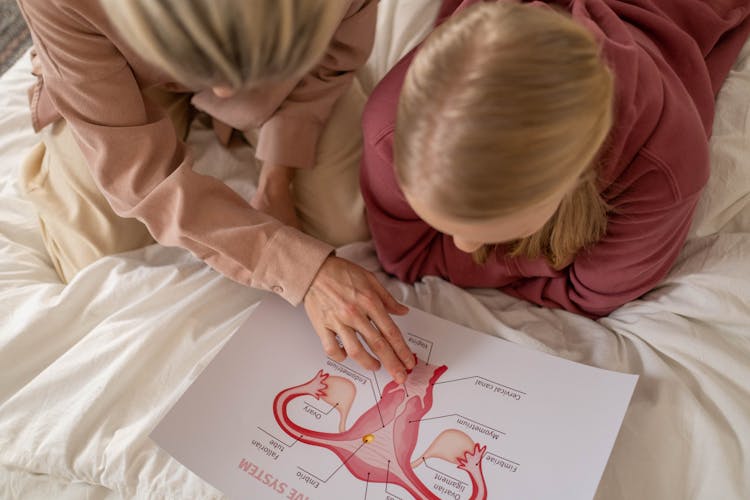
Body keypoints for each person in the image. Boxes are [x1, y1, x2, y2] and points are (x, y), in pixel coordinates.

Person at [17, 0, 415, 381]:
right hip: (116, 76)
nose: (223, 92)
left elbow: (330, 62)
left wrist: (279, 176)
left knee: (349, 221)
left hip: (286, 81)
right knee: (100, 262)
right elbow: (139, 178)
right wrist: (298, 269)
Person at [361, 0, 750, 318]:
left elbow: (591, 297)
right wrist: (546, 266)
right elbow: (406, 259)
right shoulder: (391, 124)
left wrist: (504, 264)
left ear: (572, 181)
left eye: (488, 230)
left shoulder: (663, 165)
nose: (461, 248)